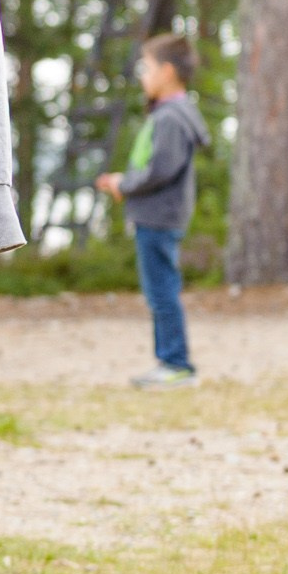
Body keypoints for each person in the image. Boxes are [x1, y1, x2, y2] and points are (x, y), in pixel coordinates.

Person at [95, 32, 210, 389]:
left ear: (168, 72)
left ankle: (175, 363)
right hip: (158, 215)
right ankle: (169, 361)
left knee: (162, 292)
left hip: (158, 217)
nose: (142, 76)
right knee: (160, 290)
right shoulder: (169, 114)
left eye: (146, 68)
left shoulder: (170, 118)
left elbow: (160, 170)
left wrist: (125, 185)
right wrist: (125, 181)